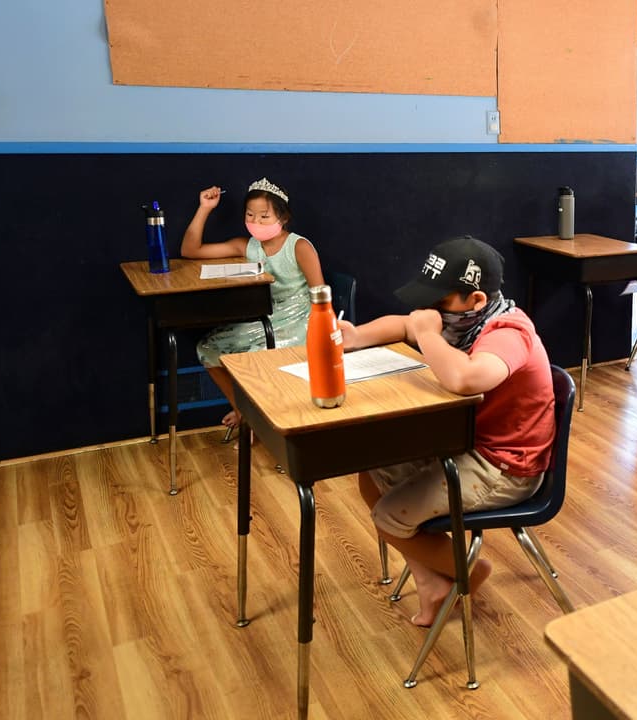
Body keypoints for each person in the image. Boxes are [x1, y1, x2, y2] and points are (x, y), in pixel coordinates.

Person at [339, 236, 555, 626]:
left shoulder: (508, 332)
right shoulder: (461, 322)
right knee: (371, 474)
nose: (430, 311)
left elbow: (467, 379)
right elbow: (404, 324)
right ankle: (431, 583)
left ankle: (468, 571)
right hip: (464, 443)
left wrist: (427, 335)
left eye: (439, 302)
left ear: (477, 300)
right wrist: (355, 336)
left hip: (505, 468)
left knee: (389, 517)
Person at [181, 178, 323, 430]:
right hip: (268, 318)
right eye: (250, 215)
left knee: (255, 357)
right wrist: (204, 208)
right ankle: (243, 412)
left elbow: (321, 296)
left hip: (301, 320)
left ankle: (262, 423)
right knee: (209, 348)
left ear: (283, 217)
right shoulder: (247, 246)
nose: (256, 222)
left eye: (264, 217)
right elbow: (190, 251)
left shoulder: (299, 247)